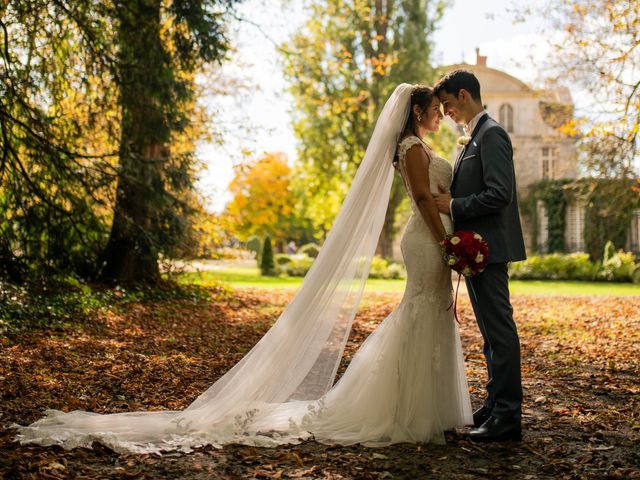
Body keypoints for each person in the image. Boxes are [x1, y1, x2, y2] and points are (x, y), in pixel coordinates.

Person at [15, 84, 472, 454]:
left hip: (435, 238)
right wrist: (446, 240)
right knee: (421, 310)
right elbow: (420, 200)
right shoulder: (412, 148)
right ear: (415, 112)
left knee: (428, 312)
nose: (439, 114)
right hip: (428, 239)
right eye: (434, 108)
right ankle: (408, 410)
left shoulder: (421, 145)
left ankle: (427, 407)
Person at [433, 70, 527, 442]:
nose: (446, 113)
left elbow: (500, 193)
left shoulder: (492, 135)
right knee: (489, 333)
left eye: (448, 105)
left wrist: (454, 206)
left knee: (500, 332)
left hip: (491, 249)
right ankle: (494, 405)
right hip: (476, 251)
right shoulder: (473, 138)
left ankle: (508, 416)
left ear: (463, 95)